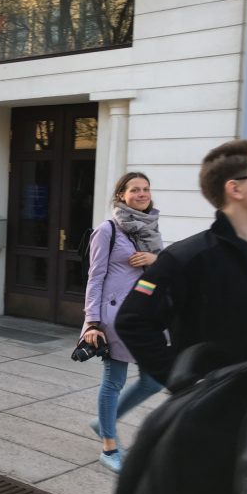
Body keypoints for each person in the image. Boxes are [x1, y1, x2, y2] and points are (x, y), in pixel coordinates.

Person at [116, 139, 247, 383]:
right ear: (235, 189)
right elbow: (133, 322)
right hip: (219, 413)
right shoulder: (188, 257)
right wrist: (183, 382)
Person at [79, 172, 164, 473]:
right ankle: (109, 446)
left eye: (145, 189)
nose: (141, 194)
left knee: (154, 379)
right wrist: (92, 322)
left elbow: (162, 269)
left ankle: (104, 422)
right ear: (121, 196)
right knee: (114, 380)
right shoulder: (108, 230)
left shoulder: (151, 228)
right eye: (134, 190)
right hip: (115, 316)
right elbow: (95, 277)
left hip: (146, 316)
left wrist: (156, 260)